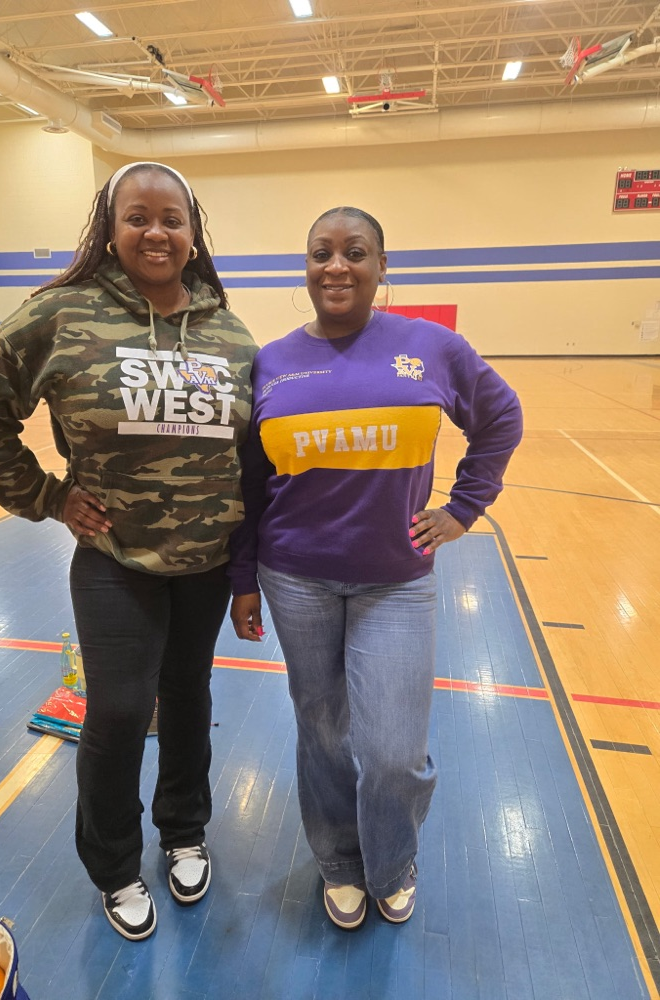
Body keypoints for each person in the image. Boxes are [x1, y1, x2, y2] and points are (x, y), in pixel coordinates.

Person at [0, 162, 258, 941]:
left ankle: (184, 830)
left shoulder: (226, 329)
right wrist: (46, 496)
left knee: (189, 697)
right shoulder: (61, 313)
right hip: (116, 557)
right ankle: (115, 866)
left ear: (194, 231)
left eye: (172, 218)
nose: (157, 231)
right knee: (117, 710)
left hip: (207, 563)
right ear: (109, 228)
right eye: (138, 216)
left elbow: (250, 447)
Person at [229, 206, 522, 931]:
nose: (336, 265)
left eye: (354, 252)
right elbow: (247, 480)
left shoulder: (432, 347)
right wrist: (241, 579)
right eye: (320, 252)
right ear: (305, 268)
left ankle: (391, 862)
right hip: (294, 576)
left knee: (393, 751)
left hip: (397, 578)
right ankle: (338, 864)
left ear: (381, 266)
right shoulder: (270, 360)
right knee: (322, 730)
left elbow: (501, 417)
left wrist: (464, 507)